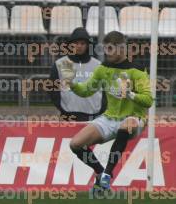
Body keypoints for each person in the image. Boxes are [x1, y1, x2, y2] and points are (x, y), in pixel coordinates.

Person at [59, 31, 153, 192]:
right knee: (75, 144)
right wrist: (72, 83)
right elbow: (86, 91)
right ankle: (100, 172)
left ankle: (107, 175)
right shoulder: (103, 69)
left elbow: (149, 100)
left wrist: (130, 94)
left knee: (125, 126)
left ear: (122, 49)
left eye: (111, 48)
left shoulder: (136, 70)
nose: (107, 52)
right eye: (106, 48)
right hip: (109, 118)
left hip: (134, 118)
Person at [49, 27, 106, 121]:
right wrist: (63, 109)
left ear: (88, 45)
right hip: (68, 116)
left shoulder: (98, 66)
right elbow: (52, 89)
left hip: (93, 118)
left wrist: (100, 108)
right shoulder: (60, 64)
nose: (79, 46)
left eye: (82, 43)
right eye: (76, 43)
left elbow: (106, 90)